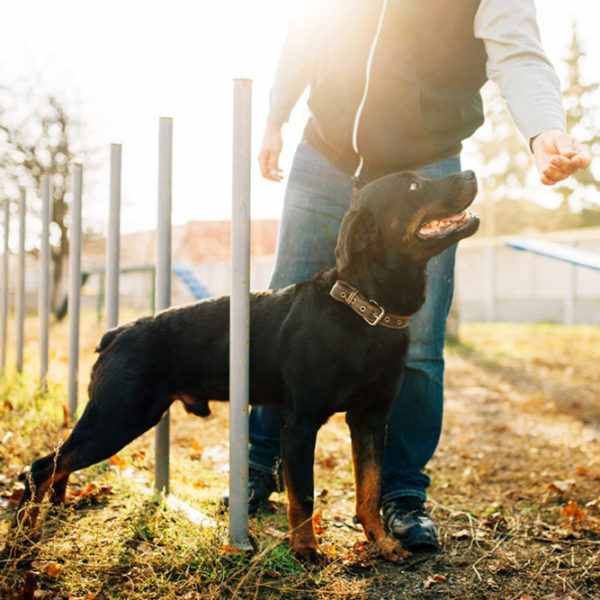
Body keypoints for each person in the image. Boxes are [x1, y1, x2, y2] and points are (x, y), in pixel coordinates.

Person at [223, 0, 591, 552]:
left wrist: (543, 131)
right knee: (284, 318)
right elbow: (310, 25)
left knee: (417, 343)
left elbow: (517, 52)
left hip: (425, 164)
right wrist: (277, 113)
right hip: (325, 151)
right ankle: (260, 467)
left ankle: (398, 494)